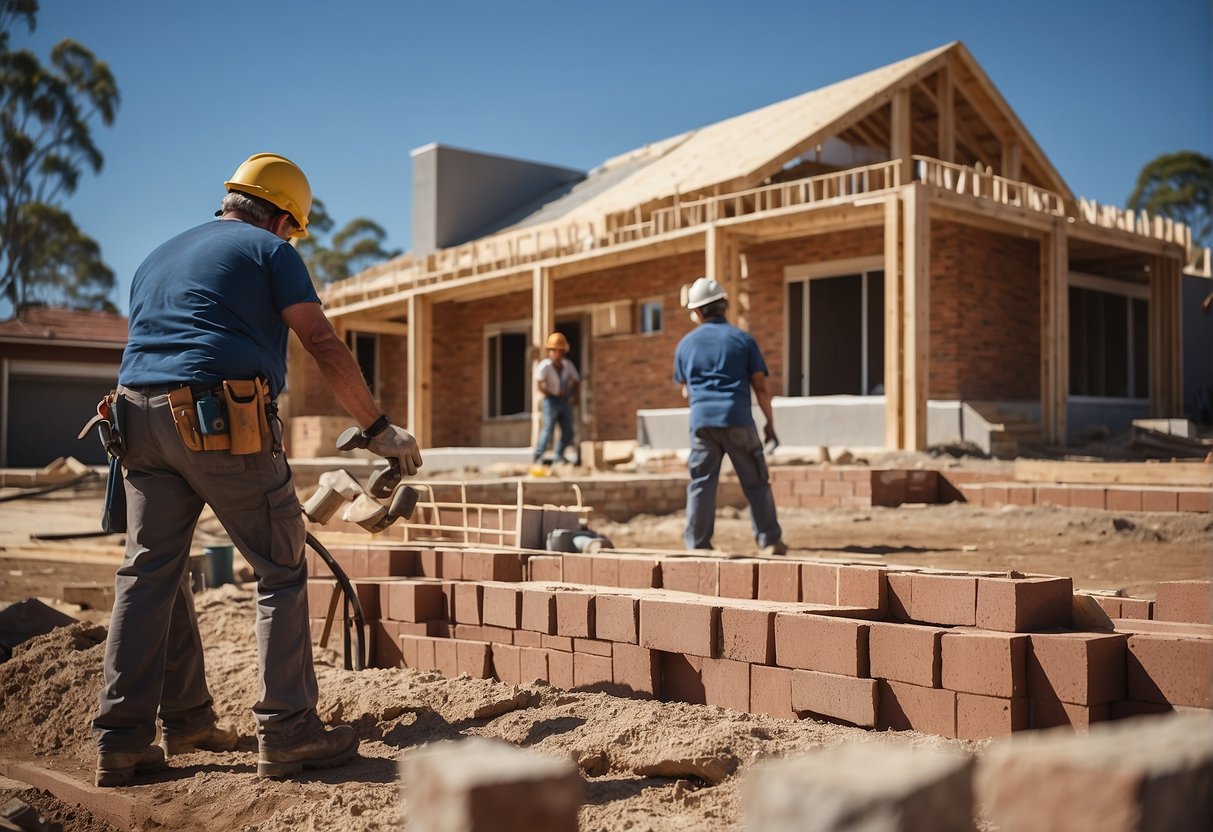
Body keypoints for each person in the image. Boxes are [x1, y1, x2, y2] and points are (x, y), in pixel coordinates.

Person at [92, 153, 422, 787]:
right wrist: (380, 429)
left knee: (148, 575)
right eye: (294, 229)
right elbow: (321, 342)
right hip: (218, 420)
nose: (292, 238)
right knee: (280, 568)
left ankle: (134, 738)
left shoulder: (157, 255)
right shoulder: (270, 253)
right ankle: (290, 731)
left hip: (134, 421)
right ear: (282, 219)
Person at [673, 277, 786, 555]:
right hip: (737, 418)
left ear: (697, 312)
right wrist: (770, 423)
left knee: (701, 482)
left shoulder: (685, 345)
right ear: (723, 307)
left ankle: (697, 545)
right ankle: (769, 541)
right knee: (756, 481)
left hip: (702, 423)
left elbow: (685, 390)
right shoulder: (743, 340)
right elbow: (759, 385)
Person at [533, 331, 580, 465]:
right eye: (554, 350)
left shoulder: (567, 365)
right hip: (550, 401)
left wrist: (574, 395)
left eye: (560, 351)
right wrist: (553, 393)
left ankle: (558, 455)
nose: (557, 354)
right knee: (547, 430)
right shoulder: (545, 366)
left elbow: (577, 380)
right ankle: (538, 457)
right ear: (550, 351)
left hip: (564, 401)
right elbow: (540, 385)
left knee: (568, 431)